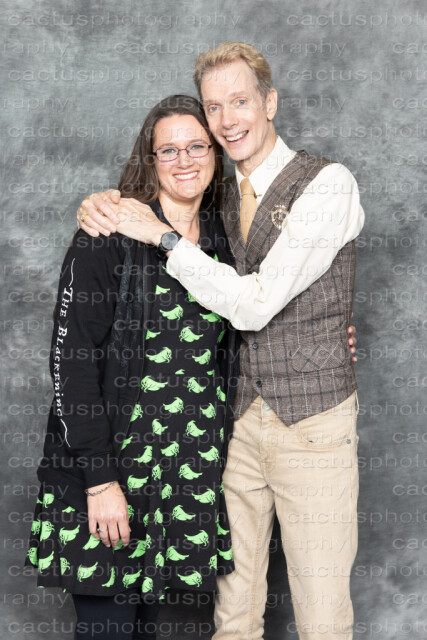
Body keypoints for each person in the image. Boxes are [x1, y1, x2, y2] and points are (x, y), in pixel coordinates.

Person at [77, 42, 364, 640]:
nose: (228, 119)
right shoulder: (215, 193)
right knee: (233, 616)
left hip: (312, 425)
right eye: (214, 106)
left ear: (270, 102)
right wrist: (103, 202)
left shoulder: (329, 184)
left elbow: (256, 304)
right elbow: (157, 193)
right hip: (234, 427)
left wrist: (164, 240)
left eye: (240, 101)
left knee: (321, 616)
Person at [24, 94, 240, 640]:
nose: (184, 160)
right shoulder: (106, 236)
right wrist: (100, 481)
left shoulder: (225, 241)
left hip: (180, 482)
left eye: (197, 146)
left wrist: (331, 336)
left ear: (215, 153)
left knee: (145, 631)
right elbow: (71, 364)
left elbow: (256, 322)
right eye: (168, 150)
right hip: (109, 479)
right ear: (150, 159)